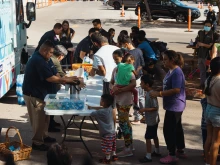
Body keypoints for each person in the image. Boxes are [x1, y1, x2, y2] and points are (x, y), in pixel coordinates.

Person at [23, 40, 80, 151]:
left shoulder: (46, 59)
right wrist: (66, 80)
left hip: (43, 94)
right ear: (44, 50)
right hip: (34, 94)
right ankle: (37, 142)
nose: (51, 55)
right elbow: (50, 78)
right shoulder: (38, 60)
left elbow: (55, 73)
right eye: (50, 52)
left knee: (45, 118)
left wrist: (66, 79)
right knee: (38, 120)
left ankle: (44, 136)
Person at [150, 50, 186, 164]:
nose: (163, 62)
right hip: (172, 104)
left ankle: (172, 154)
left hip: (175, 105)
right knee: (177, 127)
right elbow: (167, 86)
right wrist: (159, 90)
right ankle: (180, 149)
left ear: (172, 60)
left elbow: (176, 90)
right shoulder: (171, 71)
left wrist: (159, 94)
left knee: (168, 130)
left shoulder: (177, 72)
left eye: (165, 59)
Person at [111, 50, 136, 157]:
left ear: (122, 58)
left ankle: (128, 149)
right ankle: (129, 145)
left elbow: (133, 84)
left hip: (125, 101)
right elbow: (112, 82)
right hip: (118, 99)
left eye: (116, 59)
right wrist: (113, 87)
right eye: (114, 59)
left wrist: (121, 90)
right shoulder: (116, 69)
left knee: (123, 123)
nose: (115, 61)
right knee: (125, 123)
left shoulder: (129, 71)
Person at [119, 35, 145, 125]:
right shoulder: (139, 51)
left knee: (135, 99)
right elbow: (142, 63)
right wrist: (138, 71)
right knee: (141, 97)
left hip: (132, 79)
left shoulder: (127, 54)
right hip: (139, 78)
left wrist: (134, 72)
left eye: (123, 44)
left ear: (126, 44)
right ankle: (144, 115)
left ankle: (137, 117)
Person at [88, 94, 118, 164]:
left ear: (104, 102)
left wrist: (90, 109)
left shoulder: (101, 112)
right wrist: (92, 107)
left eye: (101, 100)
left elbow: (92, 114)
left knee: (107, 147)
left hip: (106, 133)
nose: (100, 101)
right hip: (112, 131)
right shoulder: (110, 108)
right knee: (113, 145)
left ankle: (107, 159)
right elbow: (100, 109)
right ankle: (114, 155)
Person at [139, 75, 161, 163]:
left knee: (148, 137)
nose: (140, 84)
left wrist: (144, 109)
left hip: (152, 120)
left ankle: (148, 156)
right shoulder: (148, 93)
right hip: (152, 119)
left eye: (142, 83)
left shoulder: (151, 94)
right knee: (154, 135)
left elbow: (155, 107)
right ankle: (157, 151)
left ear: (147, 85)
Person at [204, 57, 220, 165]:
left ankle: (207, 162)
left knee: (209, 137)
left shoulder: (208, 79)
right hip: (217, 112)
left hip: (208, 109)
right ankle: (213, 163)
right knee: (216, 142)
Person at [48, 45, 68, 132]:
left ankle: (51, 122)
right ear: (60, 55)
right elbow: (61, 74)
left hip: (50, 85)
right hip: (51, 86)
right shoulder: (55, 60)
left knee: (51, 105)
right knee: (51, 105)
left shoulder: (51, 58)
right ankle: (50, 125)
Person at [195, 20, 213, 89]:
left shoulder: (213, 34)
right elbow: (197, 40)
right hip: (200, 54)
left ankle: (207, 86)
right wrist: (197, 44)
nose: (207, 27)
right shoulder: (200, 32)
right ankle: (202, 84)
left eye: (208, 26)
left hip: (207, 56)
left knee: (208, 72)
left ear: (211, 26)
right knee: (202, 71)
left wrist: (203, 44)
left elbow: (211, 45)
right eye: (206, 25)